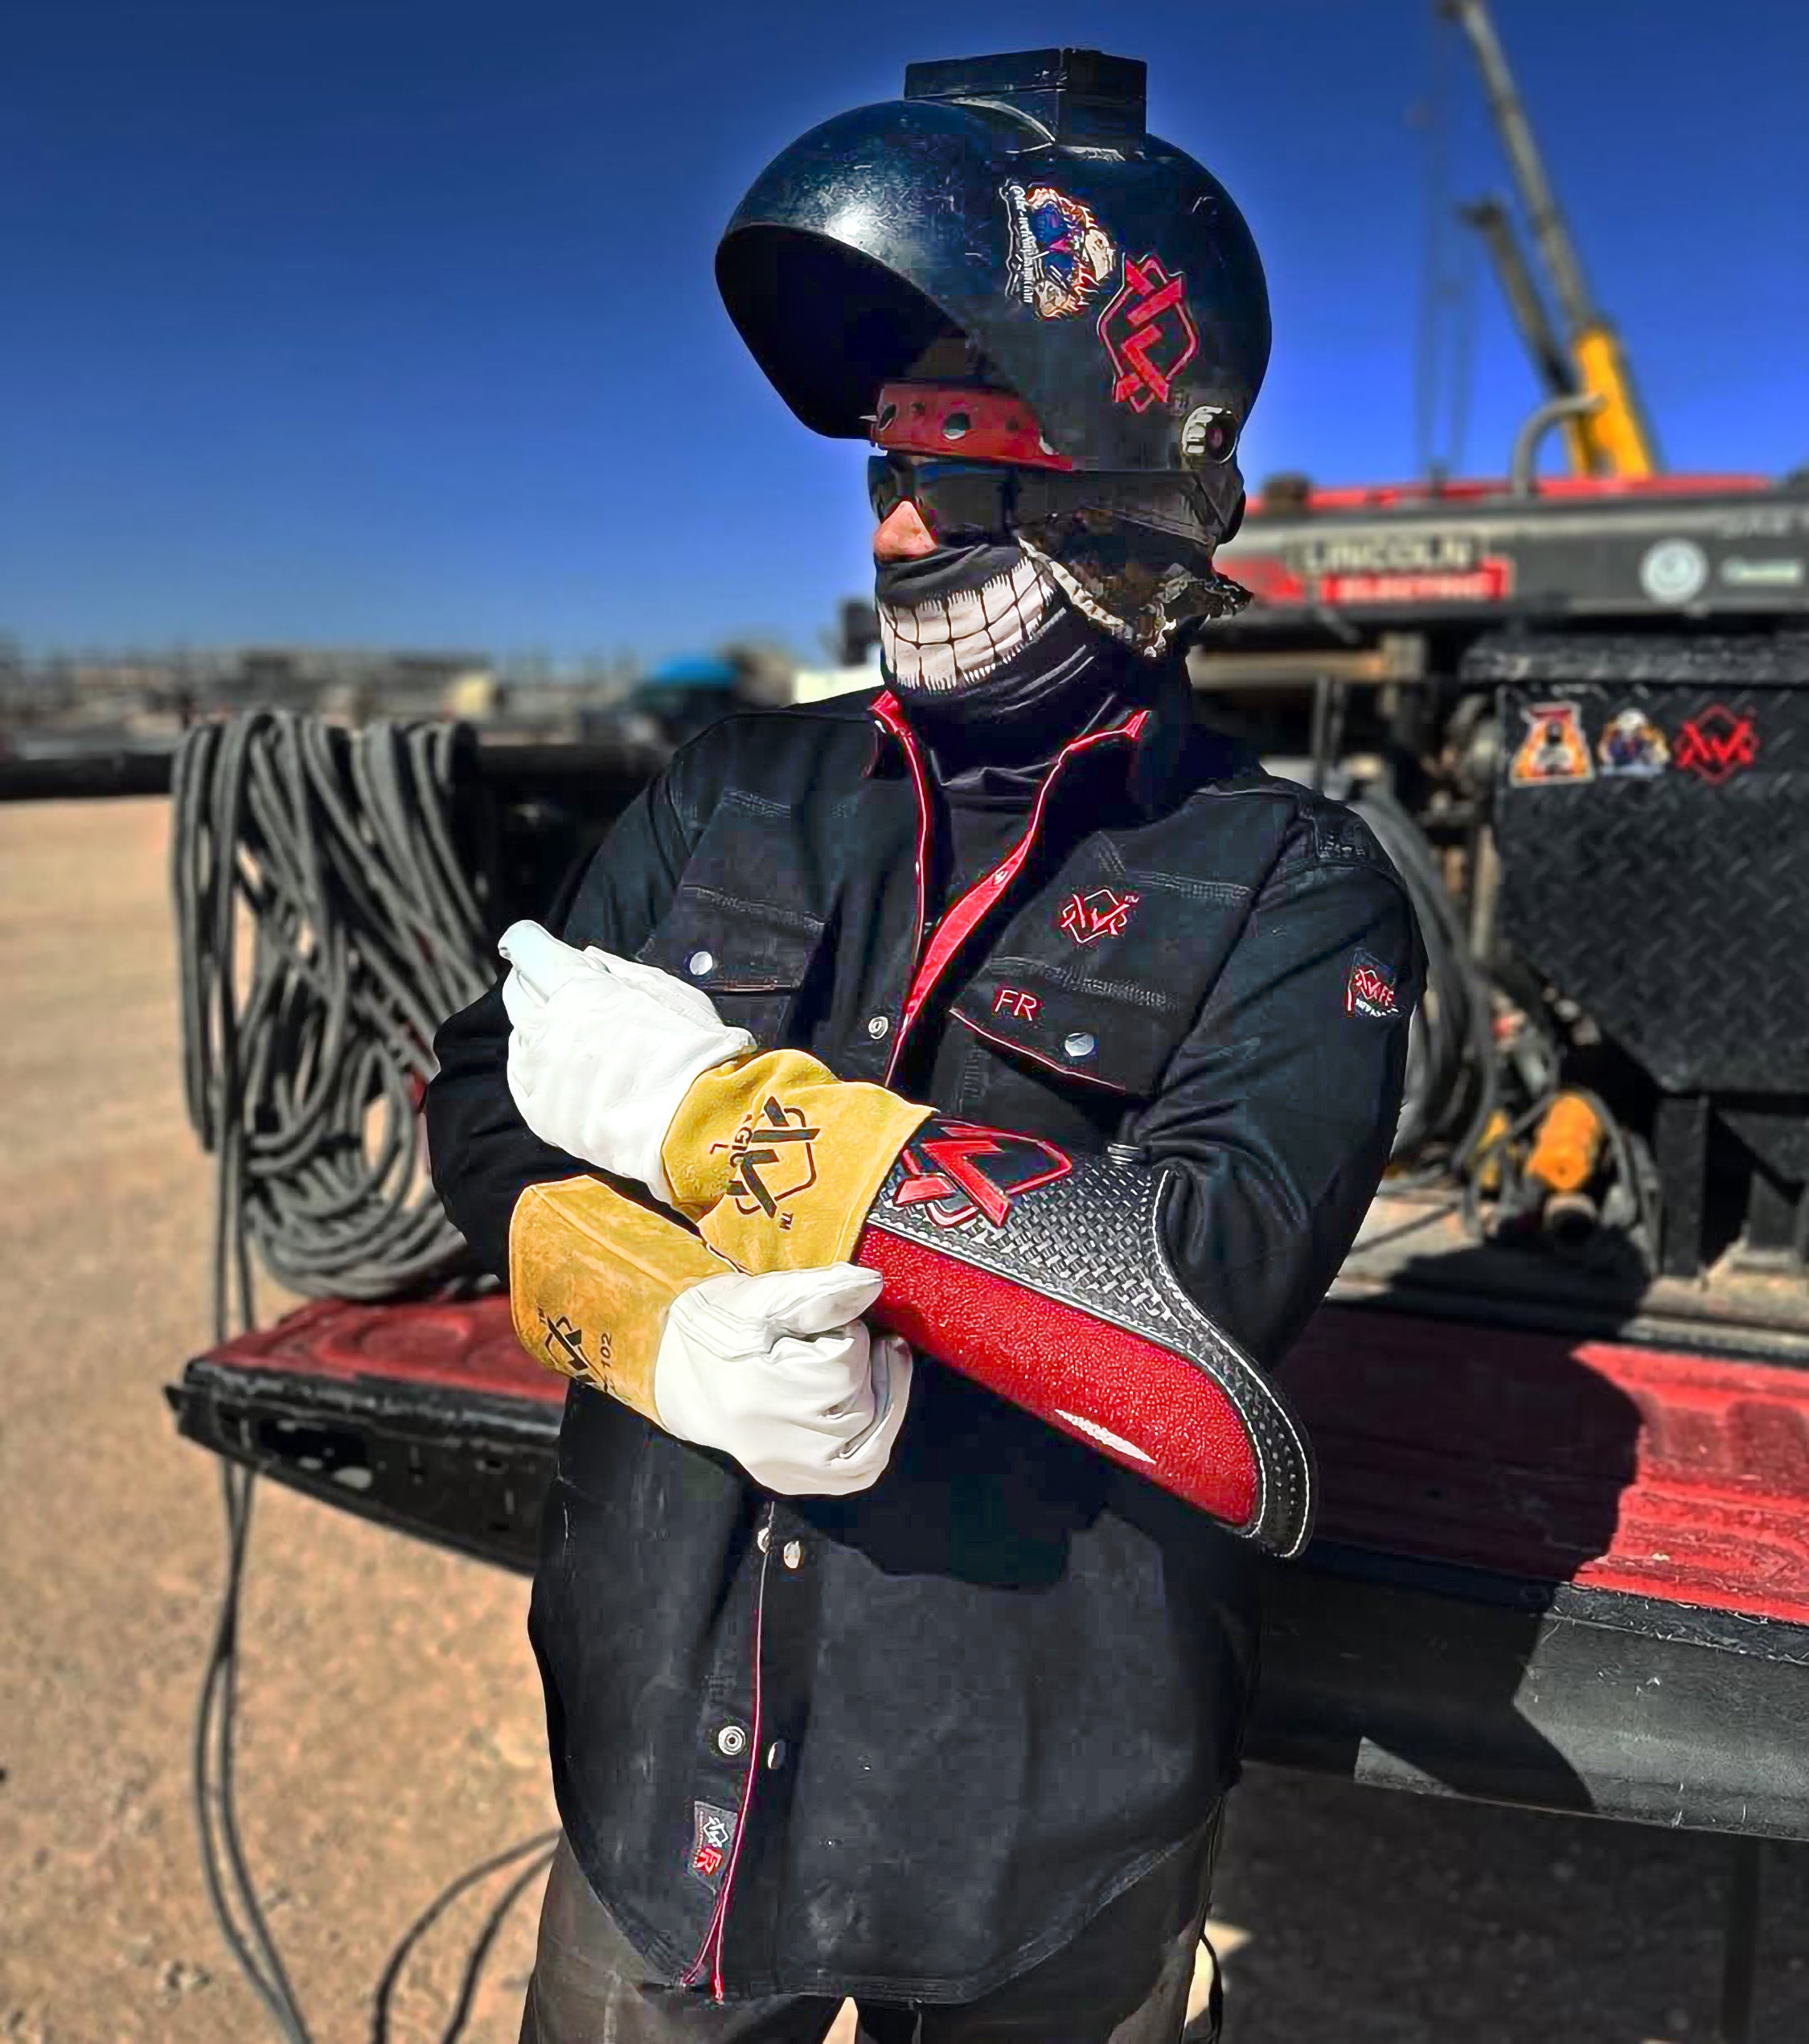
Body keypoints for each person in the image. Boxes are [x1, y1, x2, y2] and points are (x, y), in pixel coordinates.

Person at [425, 47, 1423, 2044]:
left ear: (1127, 467)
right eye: (882, 466)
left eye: (954, 466)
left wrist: (725, 1123)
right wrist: (651, 1327)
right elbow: (485, 1098)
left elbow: (1192, 1301)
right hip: (657, 1788)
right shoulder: (731, 793)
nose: (896, 535)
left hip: (1046, 1832)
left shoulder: (1295, 885)